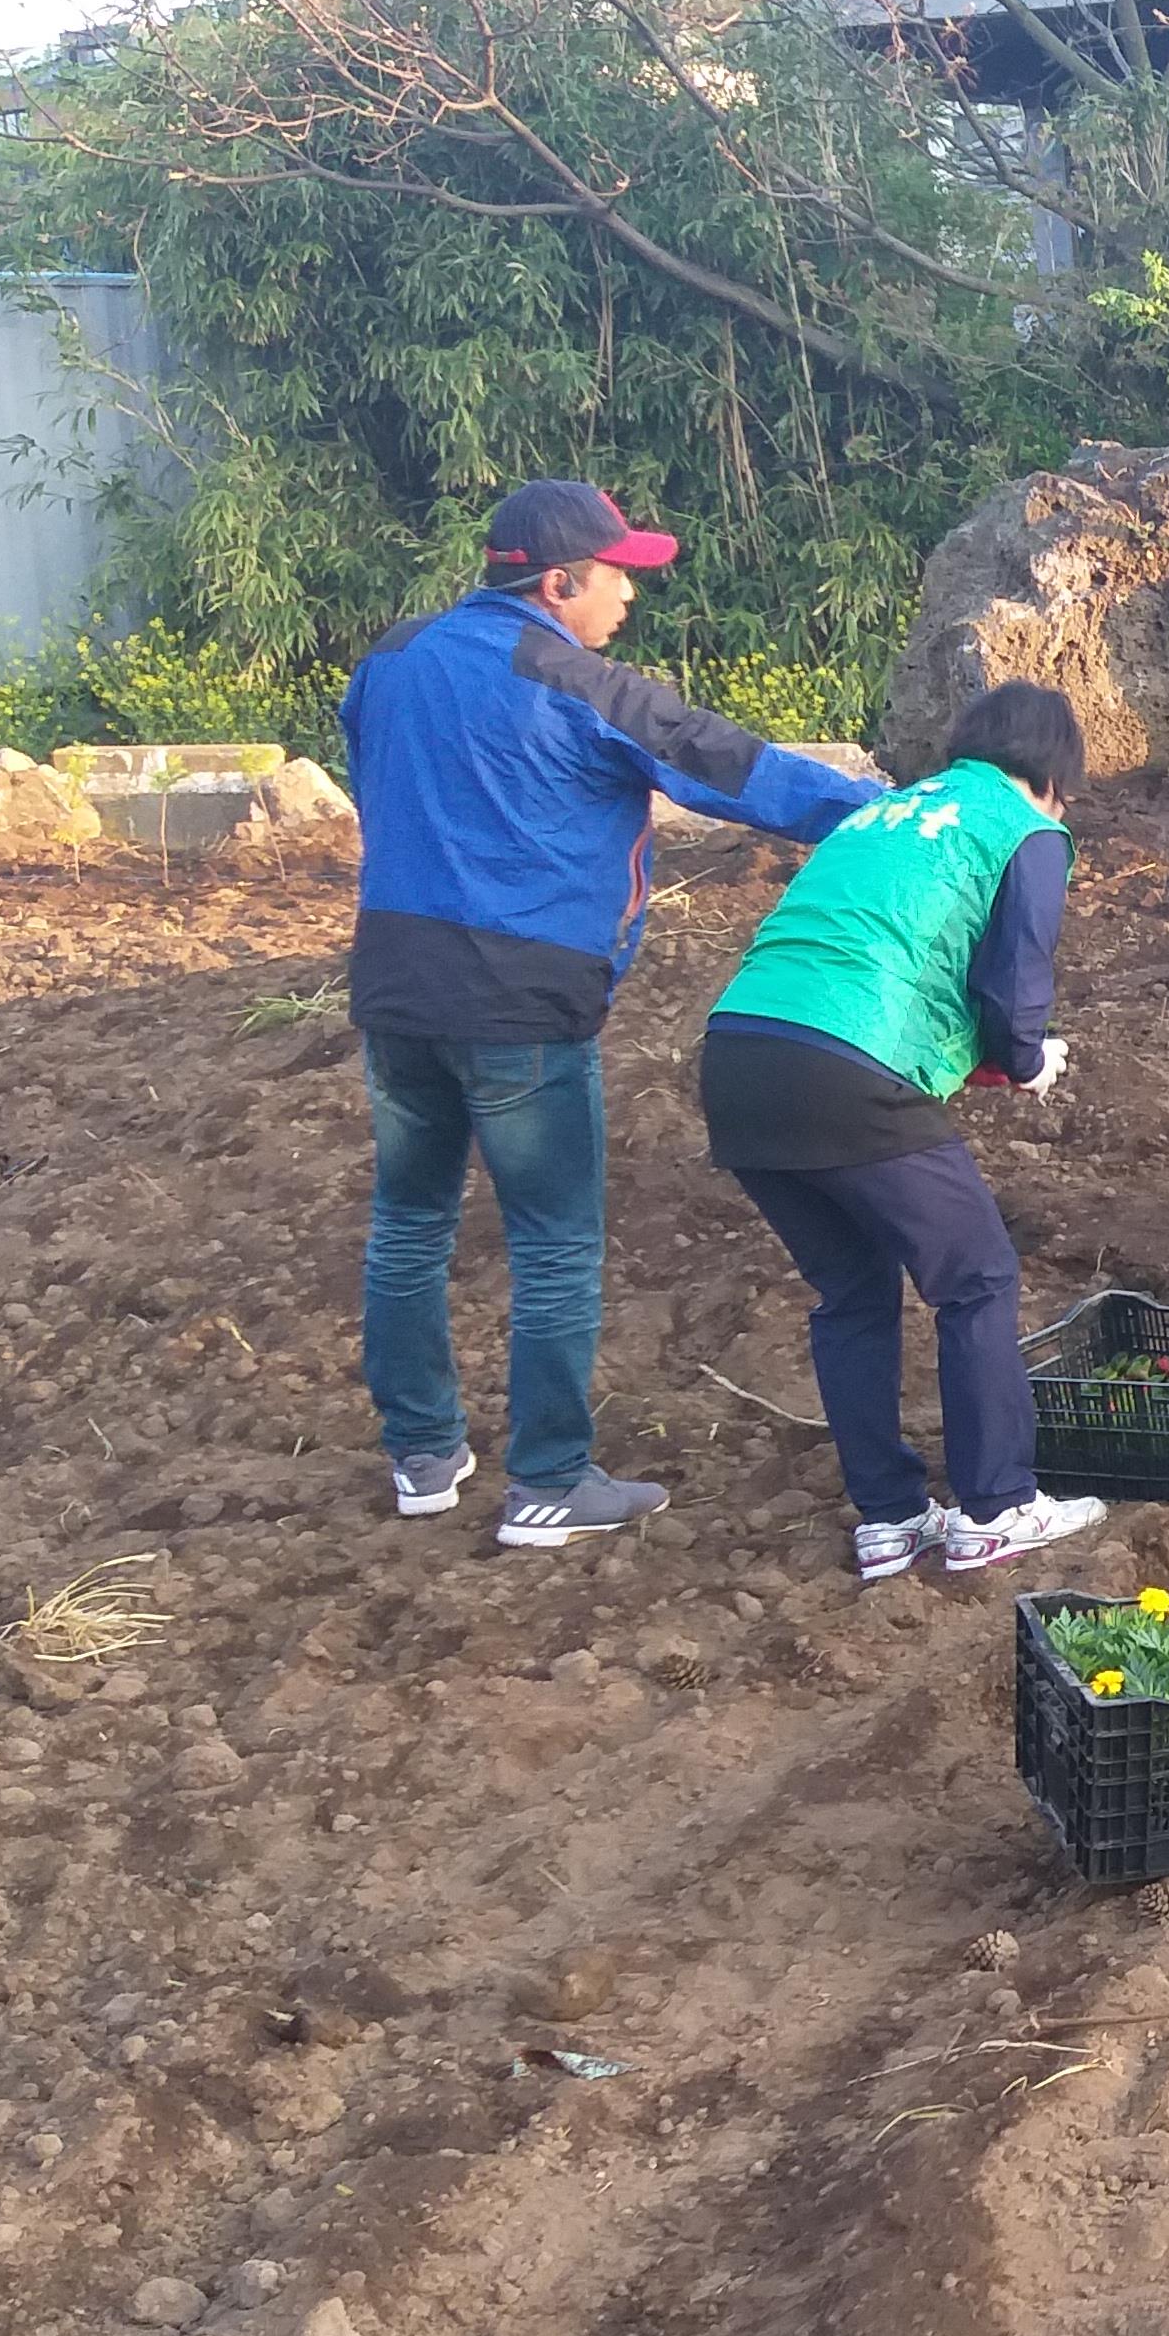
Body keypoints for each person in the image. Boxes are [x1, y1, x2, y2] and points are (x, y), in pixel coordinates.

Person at [345, 478, 879, 1544]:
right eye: (620, 577)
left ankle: (422, 1452)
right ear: (559, 581)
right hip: (523, 1003)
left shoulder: (391, 660)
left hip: (396, 985)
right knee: (551, 1241)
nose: (630, 598)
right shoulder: (576, 681)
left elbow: (376, 780)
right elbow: (735, 769)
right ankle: (549, 1480)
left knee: (409, 1220)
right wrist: (905, 817)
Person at [698, 682, 1111, 1586]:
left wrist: (995, 1052)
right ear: (1052, 774)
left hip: (738, 1058)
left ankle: (888, 1518)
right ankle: (997, 1507)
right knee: (977, 1278)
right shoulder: (1025, 827)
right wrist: (1030, 1058)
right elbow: (1015, 980)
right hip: (852, 1062)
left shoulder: (887, 812)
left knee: (851, 1293)